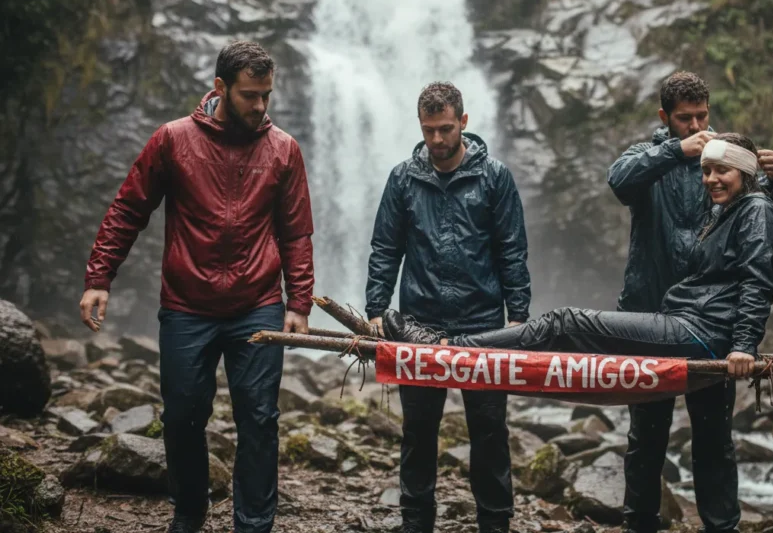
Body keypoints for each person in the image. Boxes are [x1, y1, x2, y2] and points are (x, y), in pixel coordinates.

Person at [79, 41, 314, 533]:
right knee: (182, 416)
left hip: (258, 303)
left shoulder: (284, 149)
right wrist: (100, 277)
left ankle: (254, 525)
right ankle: (189, 512)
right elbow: (129, 209)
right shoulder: (172, 140)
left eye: (267, 95)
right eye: (250, 95)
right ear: (220, 87)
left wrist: (299, 302)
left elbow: (295, 232)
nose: (260, 106)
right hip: (187, 304)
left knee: (260, 419)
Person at [379, 133, 773, 392]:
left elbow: (758, 281)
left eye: (722, 171)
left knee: (566, 323)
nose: (710, 179)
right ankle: (449, 344)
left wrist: (744, 346)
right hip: (688, 322)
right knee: (568, 329)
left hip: (701, 332)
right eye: (706, 171)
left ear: (745, 171)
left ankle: (445, 347)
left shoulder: (756, 210)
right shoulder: (726, 211)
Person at [607, 71, 773, 533]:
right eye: (684, 119)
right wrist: (677, 151)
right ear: (664, 117)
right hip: (649, 313)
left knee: (714, 436)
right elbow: (619, 181)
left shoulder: (726, 159)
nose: (696, 126)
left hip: (711, 320)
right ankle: (640, 525)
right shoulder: (648, 155)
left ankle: (721, 526)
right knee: (646, 434)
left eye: (701, 116)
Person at [364, 82, 531, 533]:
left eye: (445, 128)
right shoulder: (403, 178)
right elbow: (385, 248)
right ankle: (416, 522)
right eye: (428, 130)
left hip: (484, 324)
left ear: (464, 122)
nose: (437, 139)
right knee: (418, 430)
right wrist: (377, 308)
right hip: (418, 324)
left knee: (490, 430)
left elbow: (512, 250)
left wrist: (518, 318)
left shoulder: (494, 177)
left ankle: (494, 523)